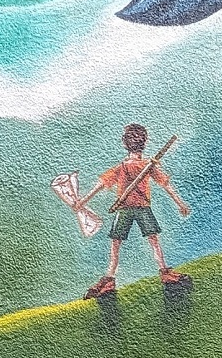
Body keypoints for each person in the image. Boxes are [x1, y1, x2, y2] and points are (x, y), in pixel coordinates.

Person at [76, 124, 192, 298]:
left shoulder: (132, 167)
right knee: (152, 241)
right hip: (135, 208)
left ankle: (110, 279)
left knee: (118, 244)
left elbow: (99, 186)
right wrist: (180, 203)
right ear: (144, 143)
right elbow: (166, 185)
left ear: (125, 143)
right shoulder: (141, 166)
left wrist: (82, 201)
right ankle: (163, 273)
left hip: (130, 208)